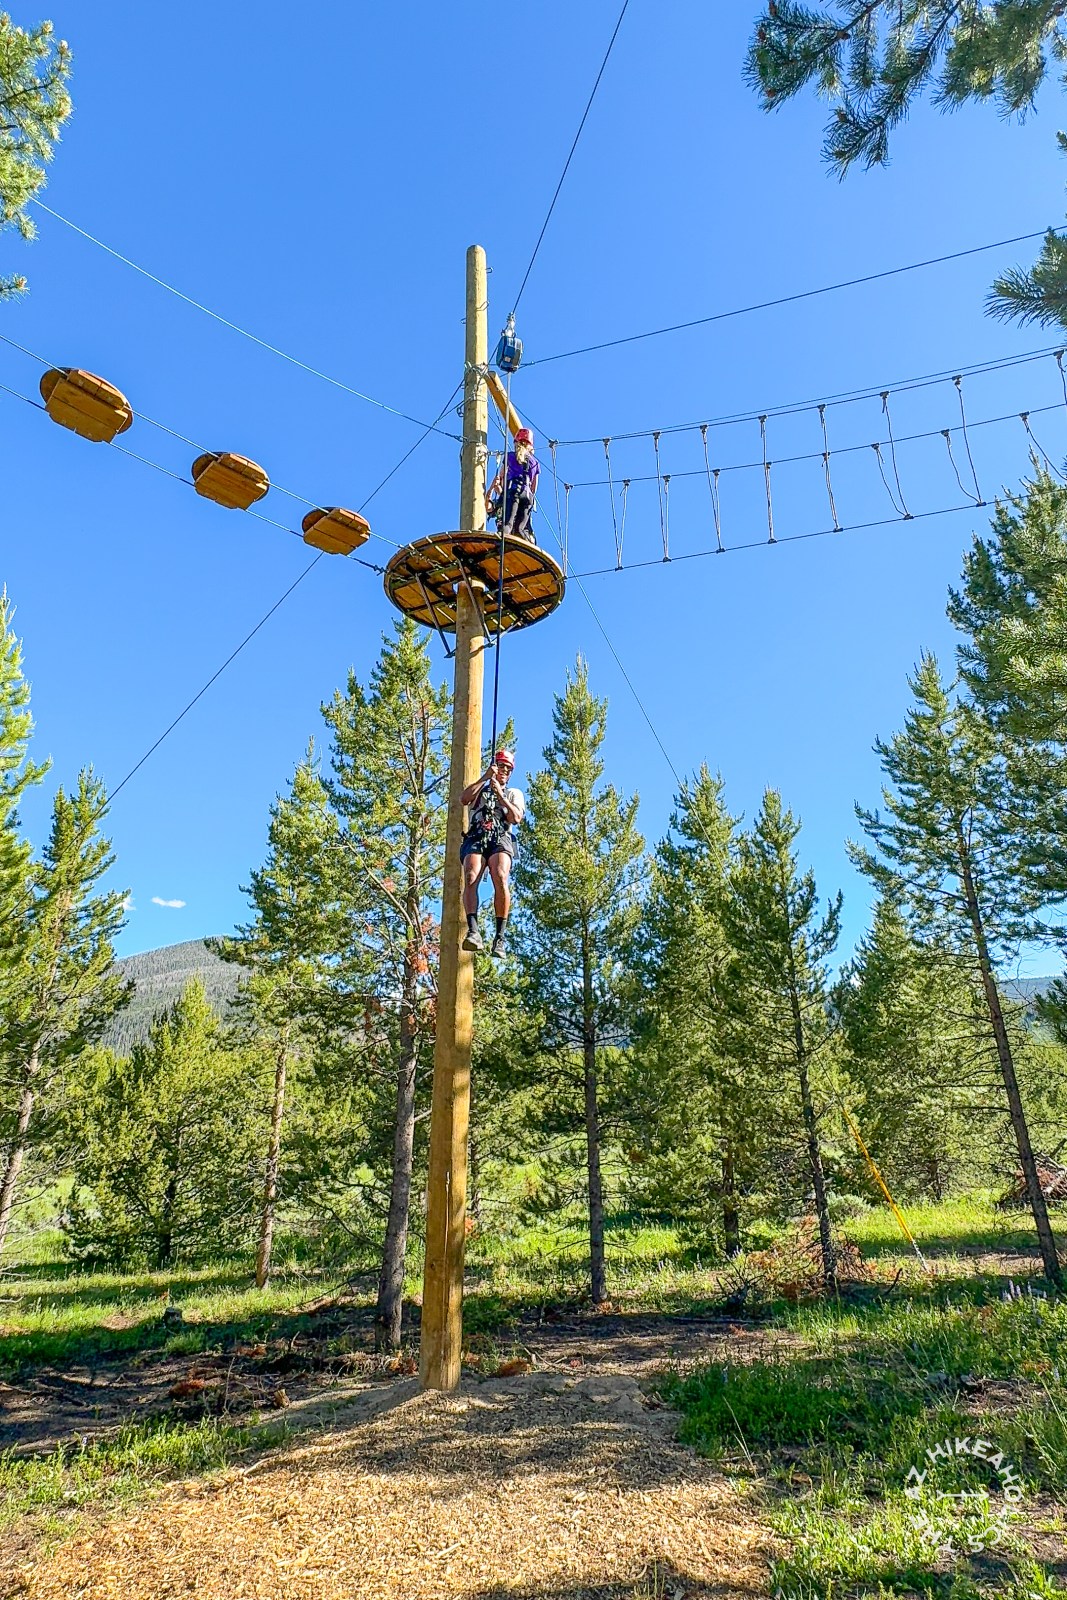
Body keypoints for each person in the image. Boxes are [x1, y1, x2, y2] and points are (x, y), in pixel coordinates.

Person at [460, 748, 525, 958]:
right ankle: (473, 930)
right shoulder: (480, 789)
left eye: (508, 768)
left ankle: (500, 937)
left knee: (500, 875)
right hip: (478, 834)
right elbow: (464, 798)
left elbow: (515, 818)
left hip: (500, 836)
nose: (504, 771)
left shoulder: (513, 793)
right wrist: (486, 778)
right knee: (471, 876)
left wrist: (501, 796)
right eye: (501, 767)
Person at [486, 428, 539, 544]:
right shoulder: (535, 462)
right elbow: (534, 487)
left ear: (516, 442)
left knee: (508, 525)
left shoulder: (510, 456)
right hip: (527, 496)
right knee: (520, 529)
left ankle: (499, 545)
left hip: (513, 492)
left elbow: (501, 476)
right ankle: (531, 547)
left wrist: (499, 489)